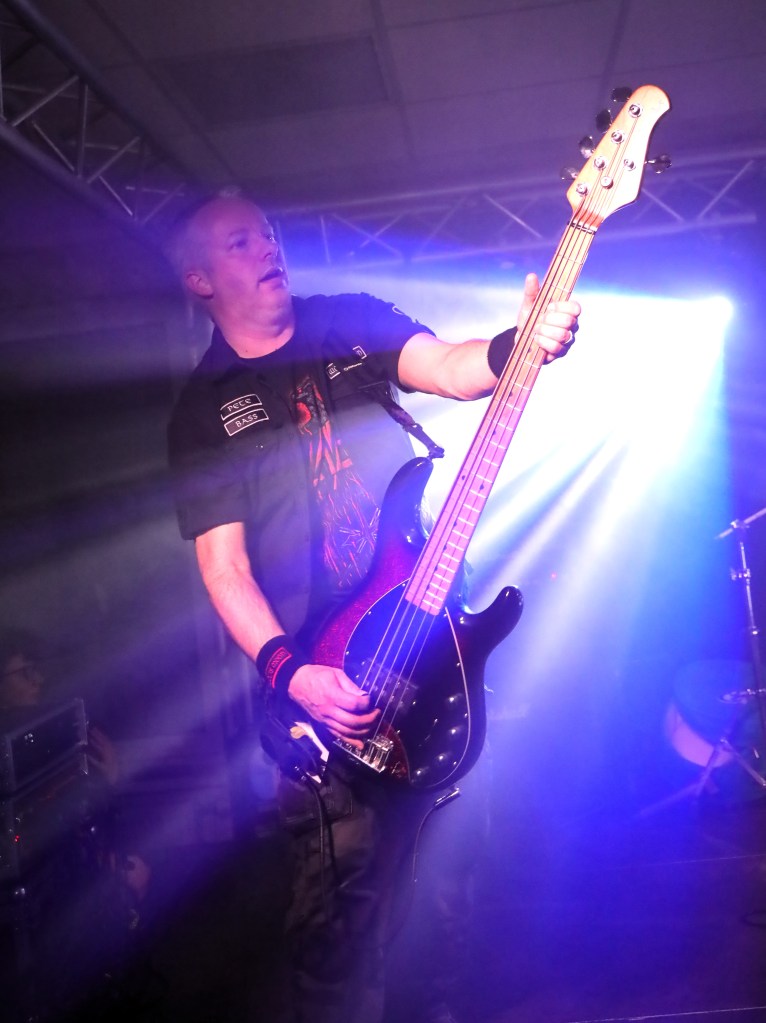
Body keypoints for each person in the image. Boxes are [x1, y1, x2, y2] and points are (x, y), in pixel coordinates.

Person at [165, 189, 581, 1023]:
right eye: (241, 242)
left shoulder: (345, 319)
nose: (268, 247)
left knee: (450, 898)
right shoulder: (204, 411)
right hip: (325, 698)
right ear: (199, 279)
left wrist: (520, 344)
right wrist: (293, 674)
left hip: (426, 655)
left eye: (269, 232)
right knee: (338, 928)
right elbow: (225, 570)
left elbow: (452, 367)